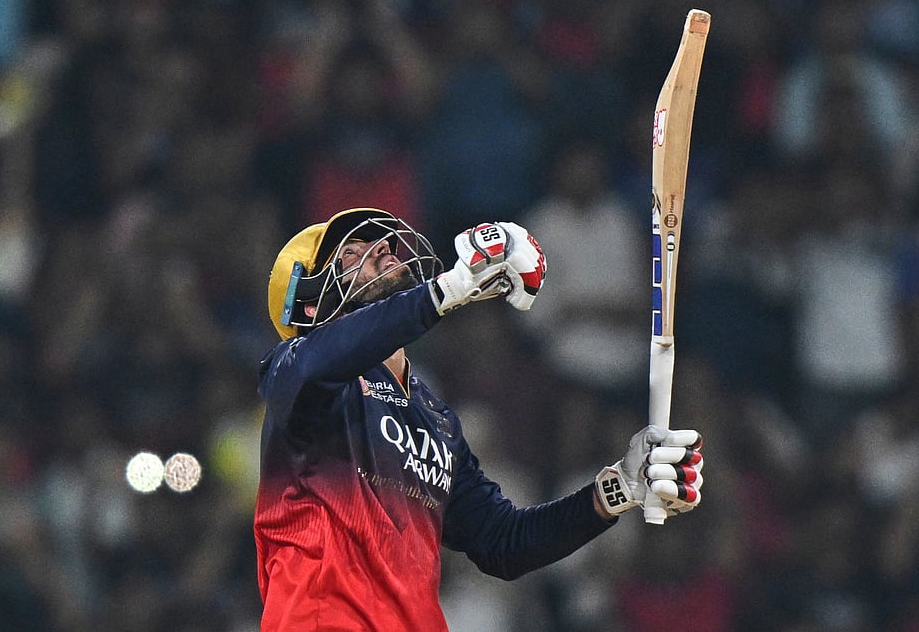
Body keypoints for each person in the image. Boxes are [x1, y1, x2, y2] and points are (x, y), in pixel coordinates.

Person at [256, 207, 706, 631]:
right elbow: (323, 361)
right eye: (351, 254)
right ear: (311, 307)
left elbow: (503, 542)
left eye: (380, 245)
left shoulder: (436, 419)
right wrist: (447, 289)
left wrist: (620, 487)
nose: (380, 251)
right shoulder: (294, 375)